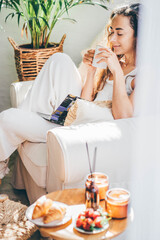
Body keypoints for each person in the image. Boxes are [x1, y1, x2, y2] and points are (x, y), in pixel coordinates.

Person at [0, 3, 140, 179]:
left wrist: (117, 73)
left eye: (119, 33)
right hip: (78, 117)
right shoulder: (114, 62)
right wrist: (91, 71)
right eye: (111, 31)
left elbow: (124, 118)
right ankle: (47, 117)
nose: (112, 39)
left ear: (138, 36)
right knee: (59, 59)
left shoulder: (141, 73)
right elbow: (85, 102)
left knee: (8, 119)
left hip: (88, 129)